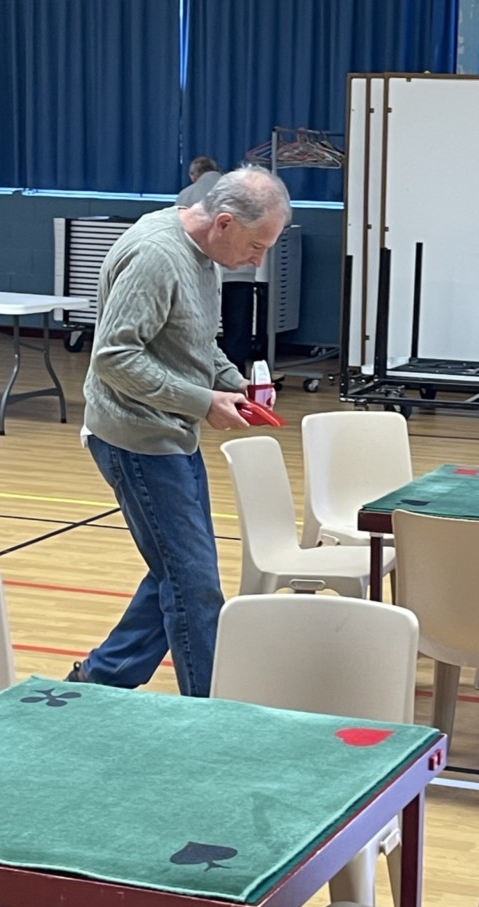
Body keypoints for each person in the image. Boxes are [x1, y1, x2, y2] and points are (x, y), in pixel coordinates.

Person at [66, 165, 292, 698]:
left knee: (177, 570)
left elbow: (196, 341)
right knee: (193, 583)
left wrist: (233, 383)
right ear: (224, 222)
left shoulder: (205, 252)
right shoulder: (156, 256)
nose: (257, 261)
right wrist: (202, 401)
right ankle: (210, 711)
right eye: (256, 246)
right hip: (136, 439)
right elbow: (114, 358)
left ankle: (98, 680)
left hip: (171, 433)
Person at [177, 156, 259, 374]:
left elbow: (180, 233)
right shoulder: (240, 192)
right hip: (240, 271)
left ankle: (201, 373)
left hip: (202, 272)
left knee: (200, 326)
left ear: (194, 175)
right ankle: (236, 375)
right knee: (238, 328)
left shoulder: (187, 195)